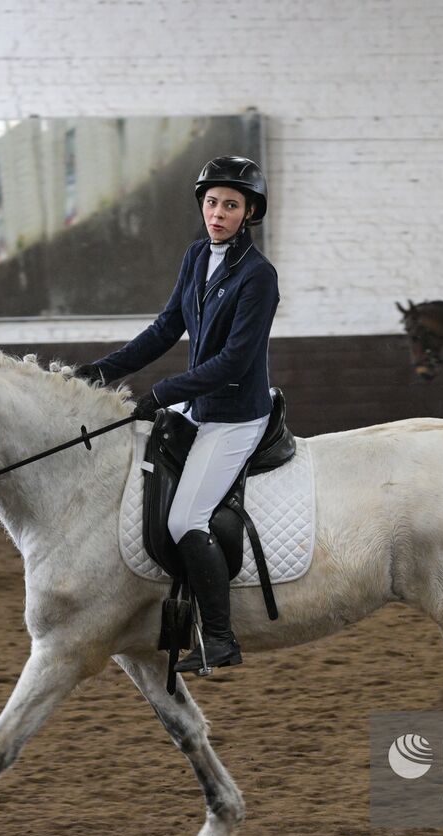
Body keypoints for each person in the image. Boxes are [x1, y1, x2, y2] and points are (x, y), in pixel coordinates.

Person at [74, 156, 278, 674]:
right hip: (198, 406)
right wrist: (102, 370)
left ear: (249, 212)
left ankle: (219, 638)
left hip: (234, 415)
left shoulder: (259, 276)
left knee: (187, 517)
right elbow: (166, 328)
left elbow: (233, 360)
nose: (218, 213)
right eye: (212, 203)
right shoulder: (194, 258)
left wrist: (163, 390)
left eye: (230, 205)